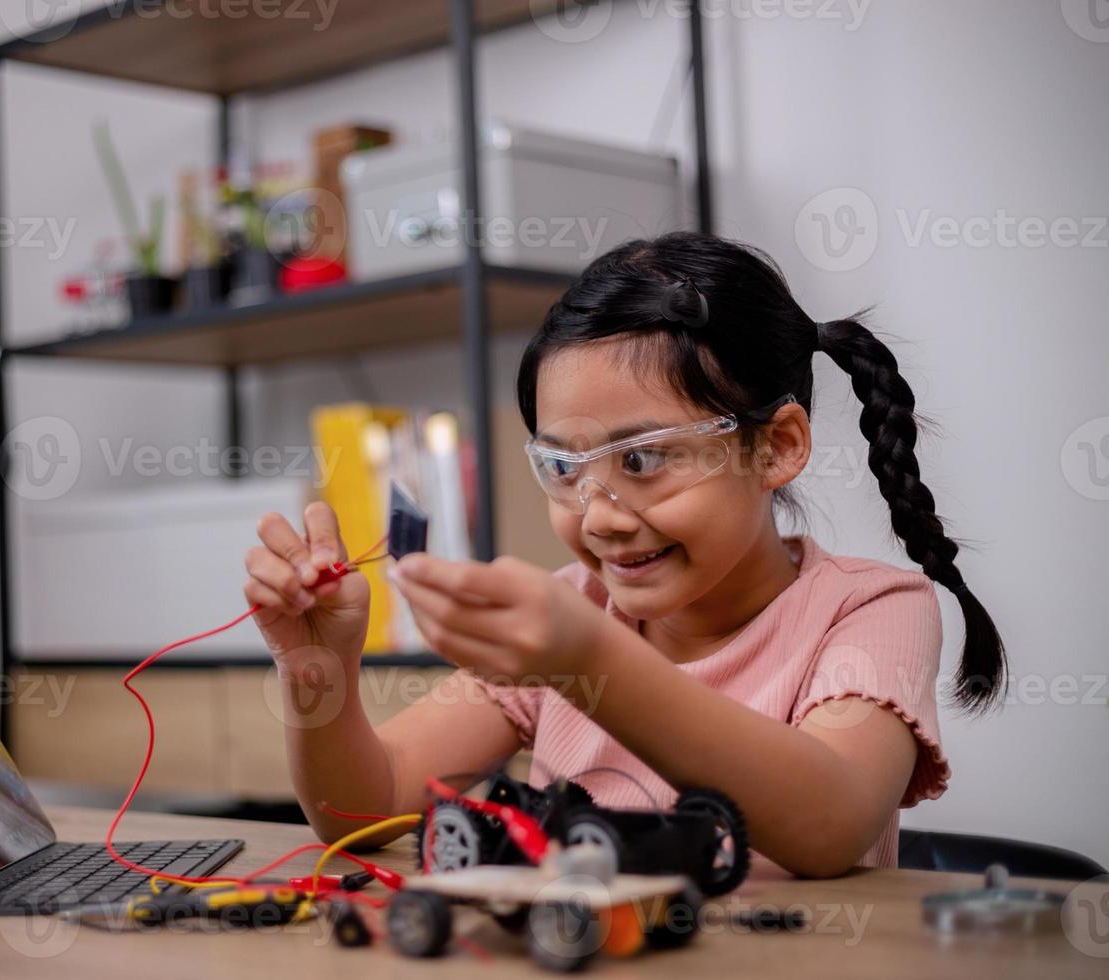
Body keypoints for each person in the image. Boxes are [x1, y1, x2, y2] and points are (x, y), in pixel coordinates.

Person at [244, 232, 1006, 874]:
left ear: (776, 447)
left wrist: (591, 662)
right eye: (565, 470)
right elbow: (364, 812)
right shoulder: (574, 610)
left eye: (642, 460)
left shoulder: (871, 610)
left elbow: (830, 823)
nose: (599, 519)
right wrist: (321, 674)